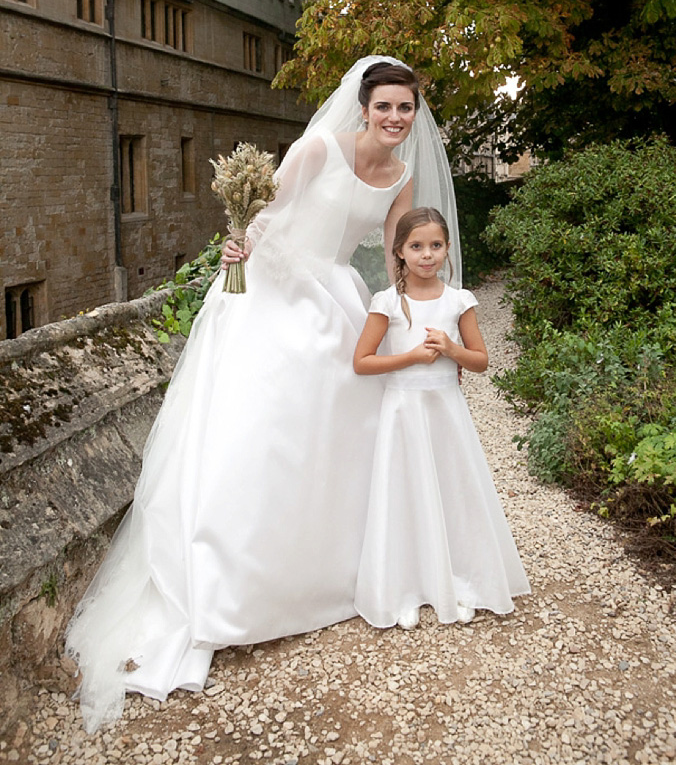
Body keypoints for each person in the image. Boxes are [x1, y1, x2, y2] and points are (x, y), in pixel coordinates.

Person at [65, 57, 462, 733]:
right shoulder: (316, 148)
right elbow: (260, 213)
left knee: (338, 425)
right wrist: (235, 244)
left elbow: (399, 256)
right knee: (256, 427)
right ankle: (230, 585)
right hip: (272, 290)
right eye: (385, 106)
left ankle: (332, 568)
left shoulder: (401, 175)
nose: (396, 119)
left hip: (333, 292)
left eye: (406, 109)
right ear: (362, 106)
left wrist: (425, 320)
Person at [353, 207, 530, 631]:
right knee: (407, 493)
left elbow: (481, 361)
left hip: (447, 413)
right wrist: (412, 356)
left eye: (435, 246)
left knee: (452, 490)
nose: (427, 255)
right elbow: (361, 361)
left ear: (447, 249)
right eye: (416, 247)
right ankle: (408, 587)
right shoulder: (387, 303)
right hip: (403, 412)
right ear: (399, 252)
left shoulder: (458, 301)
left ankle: (461, 581)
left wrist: (451, 349)